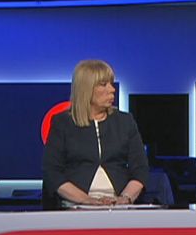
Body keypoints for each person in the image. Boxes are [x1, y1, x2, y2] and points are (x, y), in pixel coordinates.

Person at [42, 59, 149, 208]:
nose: (112, 89)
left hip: (120, 205)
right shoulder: (62, 123)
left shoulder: (125, 121)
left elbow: (140, 169)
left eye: (111, 83)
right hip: (75, 205)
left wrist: (125, 198)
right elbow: (52, 173)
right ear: (86, 89)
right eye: (104, 84)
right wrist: (87, 200)